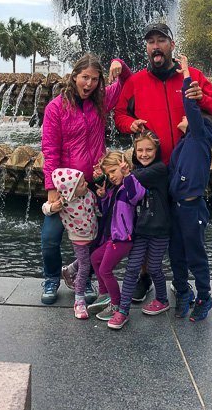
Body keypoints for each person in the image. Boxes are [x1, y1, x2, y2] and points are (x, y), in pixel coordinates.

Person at [114, 22, 212, 300]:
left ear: (172, 45)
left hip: (184, 169)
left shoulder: (193, 75)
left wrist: (203, 100)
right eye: (150, 42)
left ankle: (181, 279)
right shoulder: (135, 81)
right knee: (144, 227)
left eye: (161, 40)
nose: (155, 46)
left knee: (183, 227)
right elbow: (118, 116)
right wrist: (131, 124)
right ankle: (142, 278)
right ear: (147, 48)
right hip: (151, 169)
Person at [40, 54, 130, 305]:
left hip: (92, 182)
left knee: (92, 235)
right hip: (65, 184)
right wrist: (51, 189)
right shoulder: (56, 108)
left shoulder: (100, 103)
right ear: (74, 77)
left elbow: (126, 81)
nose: (89, 84)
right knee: (50, 235)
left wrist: (119, 64)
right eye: (85, 78)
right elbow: (50, 151)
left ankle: (82, 275)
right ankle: (51, 277)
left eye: (94, 79)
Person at [168, 55, 212, 322]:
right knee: (176, 252)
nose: (185, 116)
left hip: (191, 207)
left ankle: (204, 296)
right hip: (176, 207)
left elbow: (190, 104)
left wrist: (187, 73)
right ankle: (183, 293)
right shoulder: (185, 143)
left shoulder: (199, 137)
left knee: (195, 255)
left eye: (191, 116)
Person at [112, 130, 170, 329]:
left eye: (149, 149)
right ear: (135, 152)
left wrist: (123, 173)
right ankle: (123, 311)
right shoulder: (136, 171)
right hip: (140, 230)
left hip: (160, 230)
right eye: (140, 150)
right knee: (131, 269)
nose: (144, 154)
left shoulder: (159, 170)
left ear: (156, 150)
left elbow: (136, 178)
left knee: (154, 268)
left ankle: (162, 299)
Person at [86, 152, 145, 329]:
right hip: (114, 237)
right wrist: (103, 196)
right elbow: (109, 212)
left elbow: (137, 196)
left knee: (105, 270)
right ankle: (104, 293)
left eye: (114, 171)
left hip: (124, 239)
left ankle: (116, 304)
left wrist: (127, 175)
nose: (111, 176)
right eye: (109, 173)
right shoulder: (115, 190)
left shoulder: (130, 184)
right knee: (95, 258)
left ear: (124, 166)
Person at [42, 169, 99, 319]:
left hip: (93, 234)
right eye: (81, 184)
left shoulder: (89, 194)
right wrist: (52, 208)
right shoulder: (64, 202)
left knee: (90, 258)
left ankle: (68, 270)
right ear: (72, 189)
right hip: (78, 237)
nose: (86, 183)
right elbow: (45, 208)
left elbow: (96, 209)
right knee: (85, 265)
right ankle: (79, 301)